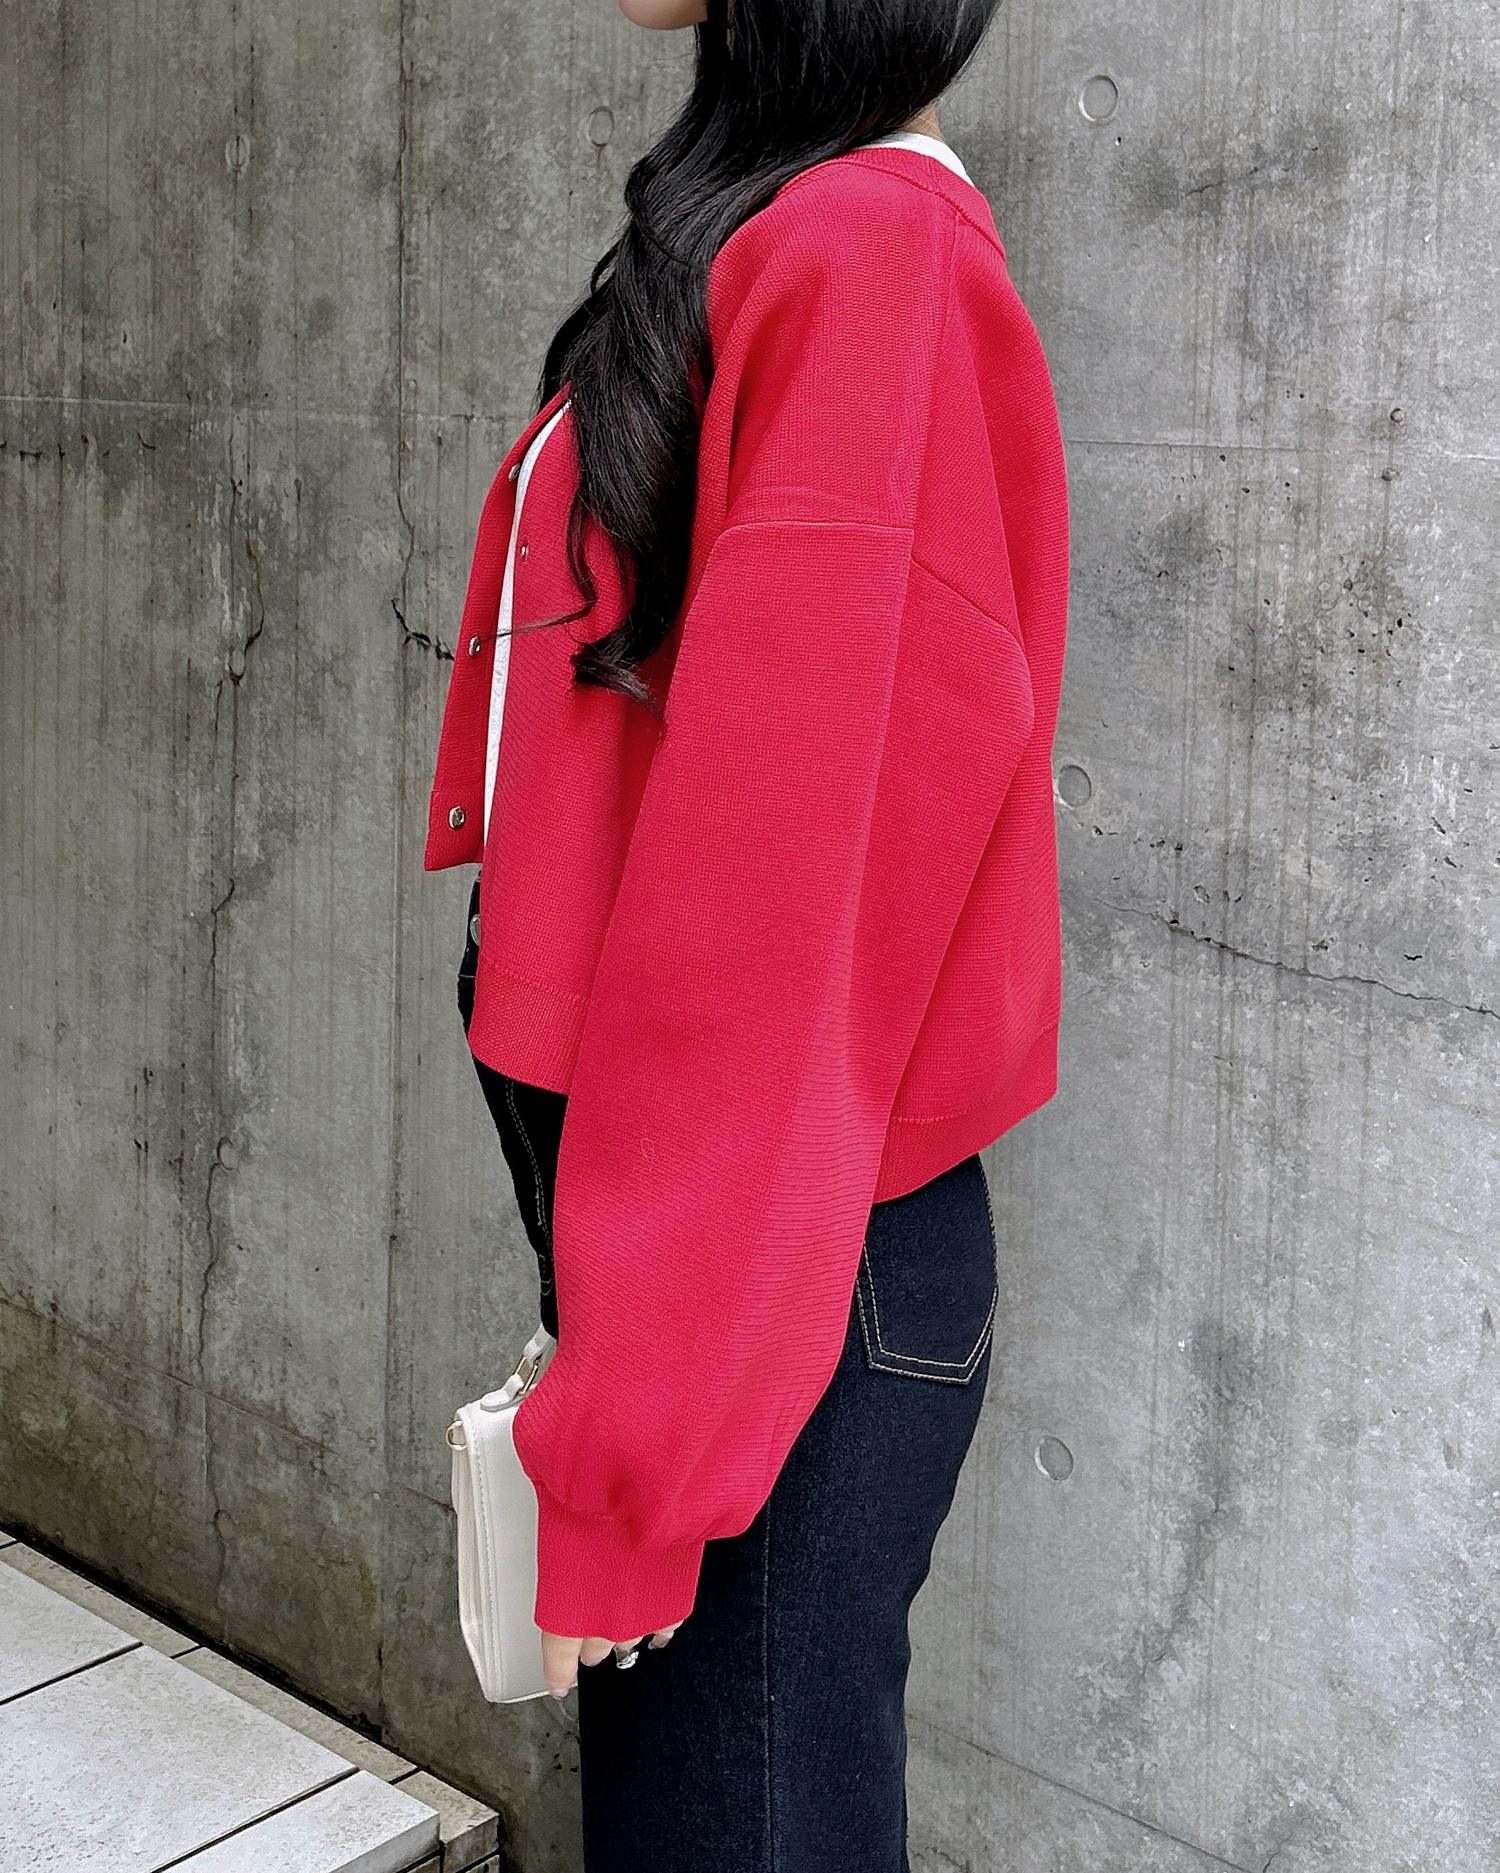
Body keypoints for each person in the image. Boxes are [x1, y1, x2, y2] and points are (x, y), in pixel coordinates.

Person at [426, 1, 1069, 1865]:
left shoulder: (865, 251)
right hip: (738, 1257)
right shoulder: (793, 222)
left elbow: (789, 924)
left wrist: (638, 1447)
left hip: (779, 1269)